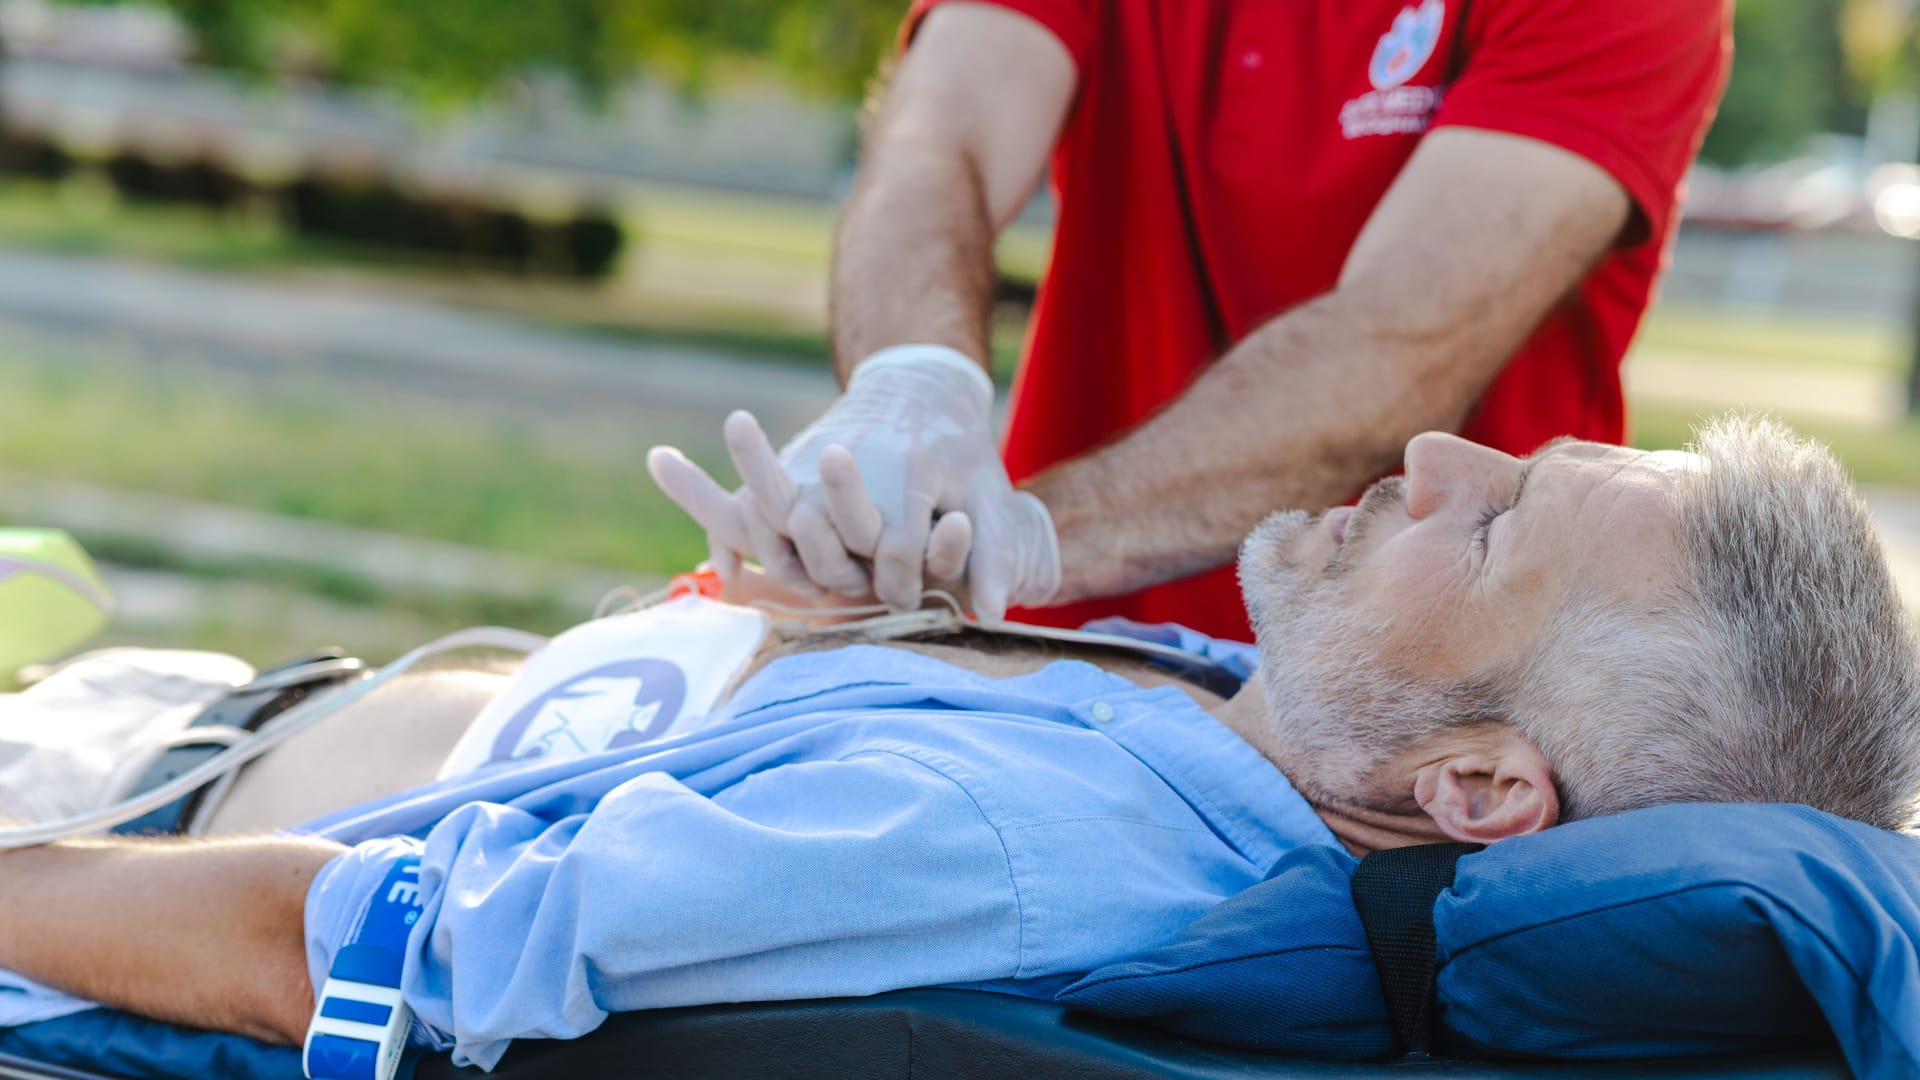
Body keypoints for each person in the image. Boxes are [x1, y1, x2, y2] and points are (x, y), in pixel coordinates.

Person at [0, 417, 1914, 1070]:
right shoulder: (1243, 734)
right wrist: (803, 629)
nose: (1437, 454)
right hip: (198, 719)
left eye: (1490, 522)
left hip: (102, 820)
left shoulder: (1008, 848)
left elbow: (326, 959)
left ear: (1481, 794)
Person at [650, 0, 1734, 641]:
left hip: (1420, 716)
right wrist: (910, 379)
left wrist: (1011, 538)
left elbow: (1402, 340)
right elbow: (943, 135)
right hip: (1052, 657)